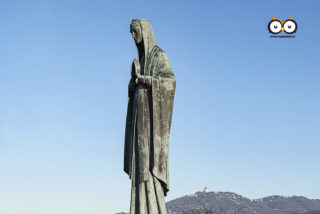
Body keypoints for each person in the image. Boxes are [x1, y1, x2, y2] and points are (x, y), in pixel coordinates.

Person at [124, 19, 176, 214]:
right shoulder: (141, 59)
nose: (132, 36)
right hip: (139, 121)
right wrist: (133, 84)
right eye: (131, 32)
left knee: (149, 165)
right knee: (139, 164)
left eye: (135, 31)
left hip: (152, 124)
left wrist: (144, 79)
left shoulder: (159, 56)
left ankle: (153, 209)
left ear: (144, 31)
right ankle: (139, 209)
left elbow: (169, 82)